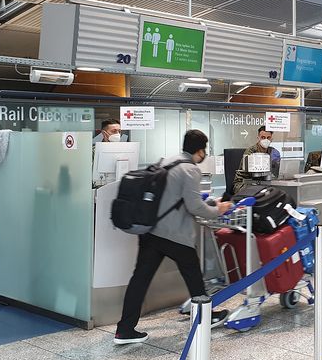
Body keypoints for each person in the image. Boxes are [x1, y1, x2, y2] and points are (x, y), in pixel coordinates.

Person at [114, 130, 233, 344]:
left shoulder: (167, 161)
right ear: (200, 150)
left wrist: (209, 203)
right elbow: (194, 206)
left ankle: (124, 330)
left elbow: (174, 197)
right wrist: (219, 209)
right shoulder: (190, 169)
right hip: (175, 235)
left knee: (140, 280)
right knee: (194, 275)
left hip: (151, 231)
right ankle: (207, 317)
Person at [232, 125, 280, 194]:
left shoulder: (273, 152)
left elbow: (275, 173)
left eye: (268, 138)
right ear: (258, 138)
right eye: (263, 137)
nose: (266, 140)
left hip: (262, 183)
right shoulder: (251, 152)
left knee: (277, 193)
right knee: (260, 194)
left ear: (271, 139)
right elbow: (252, 174)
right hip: (243, 183)